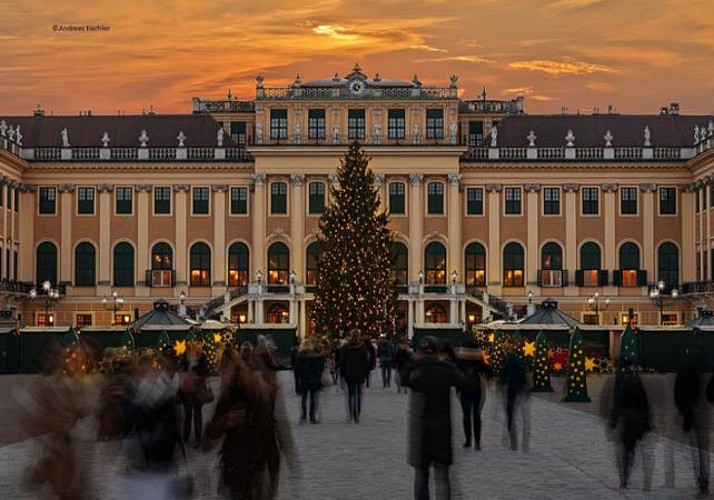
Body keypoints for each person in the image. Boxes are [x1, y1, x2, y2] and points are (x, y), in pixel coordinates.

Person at [401, 336, 471, 500]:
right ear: (437, 352)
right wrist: (448, 362)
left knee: (421, 476)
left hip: (420, 430)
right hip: (441, 428)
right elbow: (463, 381)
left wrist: (413, 361)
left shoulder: (415, 370)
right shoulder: (445, 369)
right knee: (442, 476)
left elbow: (403, 378)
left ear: (419, 352)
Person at [609, 359, 651, 489]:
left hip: (627, 419)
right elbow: (645, 403)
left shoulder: (622, 382)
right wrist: (647, 421)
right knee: (632, 448)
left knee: (625, 449)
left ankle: (625, 477)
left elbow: (618, 402)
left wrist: (613, 420)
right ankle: (631, 475)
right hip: (637, 418)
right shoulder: (637, 381)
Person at [674, 359, 710, 498]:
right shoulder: (706, 369)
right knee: (702, 450)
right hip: (703, 413)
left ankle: (702, 480)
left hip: (693, 414)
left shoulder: (685, 372)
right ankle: (703, 479)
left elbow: (678, 392)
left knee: (698, 451)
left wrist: (683, 411)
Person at [456, 339, 487, 450]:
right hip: (476, 388)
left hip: (464, 388)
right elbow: (487, 370)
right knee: (476, 415)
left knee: (466, 415)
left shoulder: (460, 358)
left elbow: (456, 372)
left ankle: (468, 440)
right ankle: (477, 442)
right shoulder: (478, 359)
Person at [339, 330, 370, 423]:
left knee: (350, 394)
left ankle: (351, 414)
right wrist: (365, 372)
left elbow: (342, 362)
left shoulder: (345, 348)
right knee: (359, 394)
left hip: (349, 374)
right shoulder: (363, 348)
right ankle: (357, 414)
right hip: (360, 374)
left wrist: (343, 373)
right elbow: (366, 362)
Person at [294, 338, 326, 423]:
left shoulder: (299, 356)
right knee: (312, 398)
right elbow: (318, 368)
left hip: (303, 378)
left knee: (304, 397)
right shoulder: (314, 355)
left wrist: (297, 381)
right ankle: (312, 416)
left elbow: (297, 369)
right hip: (313, 379)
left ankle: (304, 415)